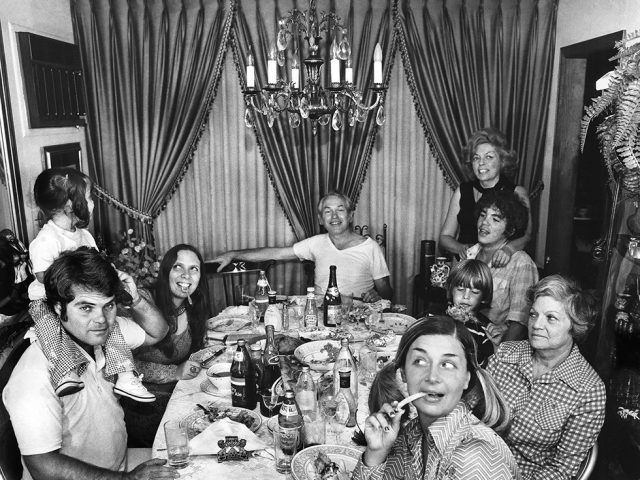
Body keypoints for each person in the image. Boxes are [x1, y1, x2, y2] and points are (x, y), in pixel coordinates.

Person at [2, 247, 177, 480]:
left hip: (120, 467)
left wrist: (135, 299)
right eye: (86, 308)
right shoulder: (33, 373)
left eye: (109, 305)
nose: (101, 320)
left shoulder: (107, 335)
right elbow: (42, 466)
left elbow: (158, 332)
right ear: (58, 308)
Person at [27, 168, 154, 402]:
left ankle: (125, 375)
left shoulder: (84, 236)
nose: (92, 203)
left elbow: (95, 267)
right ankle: (65, 372)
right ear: (70, 205)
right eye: (88, 198)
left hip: (84, 300)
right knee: (50, 328)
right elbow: (49, 280)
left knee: (109, 321)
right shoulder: (45, 241)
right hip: (49, 301)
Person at [355, 316, 520, 480]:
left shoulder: (474, 461)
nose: (432, 377)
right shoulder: (413, 433)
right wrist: (376, 453)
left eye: (447, 364)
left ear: (466, 379)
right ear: (404, 373)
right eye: (420, 361)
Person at [487, 275, 606, 480]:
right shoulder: (505, 354)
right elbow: (471, 413)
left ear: (575, 326)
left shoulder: (589, 390)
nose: (536, 325)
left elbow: (561, 470)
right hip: (476, 461)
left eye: (550, 318)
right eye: (533, 315)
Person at [213, 191, 392, 302]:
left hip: (358, 317)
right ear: (321, 220)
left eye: (340, 209)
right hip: (321, 316)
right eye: (327, 211)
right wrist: (234, 254)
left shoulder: (370, 247)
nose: (334, 216)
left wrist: (376, 295)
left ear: (350, 215)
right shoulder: (316, 243)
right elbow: (277, 253)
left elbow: (387, 292)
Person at [122, 243, 211, 447]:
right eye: (178, 267)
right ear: (166, 271)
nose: (186, 275)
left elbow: (196, 349)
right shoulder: (142, 302)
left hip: (177, 393)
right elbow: (119, 362)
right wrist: (174, 373)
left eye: (193, 269)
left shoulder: (194, 304)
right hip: (142, 404)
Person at [439, 128, 532, 267]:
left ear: (502, 161)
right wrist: (460, 248)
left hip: (499, 265)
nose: (481, 163)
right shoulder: (462, 191)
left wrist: (508, 249)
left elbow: (527, 236)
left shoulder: (517, 192)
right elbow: (445, 237)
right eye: (476, 158)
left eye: (489, 157)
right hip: (465, 266)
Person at [468, 190, 538, 345]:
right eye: (483, 215)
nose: (484, 222)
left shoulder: (521, 263)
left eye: (495, 219)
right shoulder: (470, 254)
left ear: (510, 230)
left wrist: (500, 359)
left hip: (496, 348)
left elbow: (519, 324)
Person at [442, 259, 494, 367]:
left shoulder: (485, 331)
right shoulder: (436, 316)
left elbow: (484, 367)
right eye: (460, 289)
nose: (466, 296)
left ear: (483, 296)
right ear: (451, 289)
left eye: (474, 292)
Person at [0, 228, 32, 315]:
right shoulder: (3, 247)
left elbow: (24, 250)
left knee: (22, 283)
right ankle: (14, 300)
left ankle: (18, 299)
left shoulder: (16, 242)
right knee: (13, 286)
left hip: (20, 268)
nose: (12, 238)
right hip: (12, 272)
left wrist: (23, 256)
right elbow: (8, 261)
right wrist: (15, 260)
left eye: (12, 235)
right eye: (9, 237)